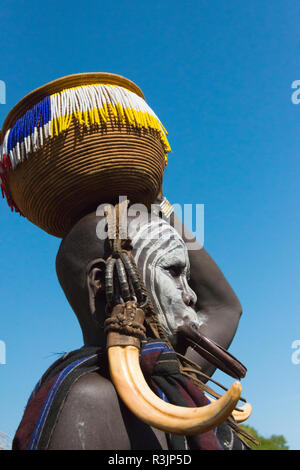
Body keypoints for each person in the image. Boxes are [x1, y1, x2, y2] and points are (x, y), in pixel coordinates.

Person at [12, 205, 246, 450]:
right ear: (102, 283)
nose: (191, 296)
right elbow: (222, 308)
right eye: (174, 272)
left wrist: (161, 205)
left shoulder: (167, 379)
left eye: (187, 279)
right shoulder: (88, 401)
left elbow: (224, 308)